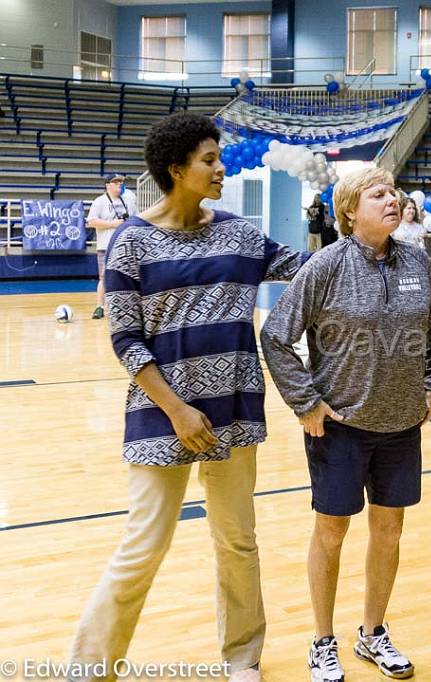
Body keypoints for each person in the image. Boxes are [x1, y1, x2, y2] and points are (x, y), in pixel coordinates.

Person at [68, 112, 305, 682]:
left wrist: (355, 228)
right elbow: (125, 339)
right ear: (177, 169)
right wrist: (176, 409)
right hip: (162, 416)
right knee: (144, 544)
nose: (221, 168)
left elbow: (306, 270)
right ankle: (90, 665)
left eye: (219, 157)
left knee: (237, 542)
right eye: (209, 160)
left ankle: (243, 657)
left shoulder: (243, 235)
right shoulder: (132, 244)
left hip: (235, 412)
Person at [260, 166, 431, 682]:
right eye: (378, 194)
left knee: (388, 531)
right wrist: (305, 402)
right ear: (349, 210)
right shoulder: (325, 265)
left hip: (401, 424)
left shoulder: (416, 262)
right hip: (339, 425)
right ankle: (323, 641)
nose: (394, 200)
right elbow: (275, 336)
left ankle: (372, 633)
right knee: (331, 531)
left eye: (394, 192)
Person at [86, 172, 136, 320]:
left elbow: (135, 218)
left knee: (126, 277)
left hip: (125, 245)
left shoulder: (128, 200)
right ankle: (100, 307)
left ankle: (122, 307)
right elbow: (91, 221)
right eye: (116, 182)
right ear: (108, 185)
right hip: (106, 246)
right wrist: (111, 224)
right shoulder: (100, 201)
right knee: (104, 278)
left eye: (121, 182)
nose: (120, 184)